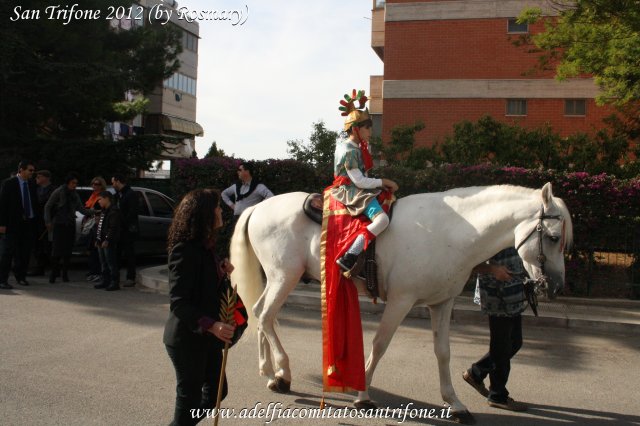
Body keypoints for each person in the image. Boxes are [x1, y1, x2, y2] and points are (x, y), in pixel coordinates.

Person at [163, 188, 236, 426]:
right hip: (186, 339)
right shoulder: (184, 250)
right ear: (204, 213)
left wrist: (222, 271)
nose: (220, 210)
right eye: (216, 207)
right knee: (189, 403)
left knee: (217, 392)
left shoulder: (207, 247)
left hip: (207, 338)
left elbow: (206, 288)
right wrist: (212, 325)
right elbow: (179, 303)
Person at [331, 89, 398, 272]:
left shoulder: (354, 147)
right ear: (355, 129)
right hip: (350, 190)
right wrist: (382, 181)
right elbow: (359, 181)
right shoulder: (350, 151)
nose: (371, 131)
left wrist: (379, 183)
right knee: (383, 220)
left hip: (356, 187)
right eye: (367, 127)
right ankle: (350, 255)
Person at [462, 247, 528, 412]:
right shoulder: (492, 226)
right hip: (497, 295)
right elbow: (469, 261)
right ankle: (498, 396)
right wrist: (493, 269)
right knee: (501, 346)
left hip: (514, 293)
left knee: (515, 342)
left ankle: (476, 373)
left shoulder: (514, 230)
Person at [44, 172, 96, 283]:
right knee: (56, 250)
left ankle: (65, 274)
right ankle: (54, 274)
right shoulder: (59, 192)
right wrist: (48, 221)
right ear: (67, 183)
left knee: (68, 251)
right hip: (59, 224)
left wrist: (95, 211)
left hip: (70, 224)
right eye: (73, 183)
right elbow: (48, 206)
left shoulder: (74, 195)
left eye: (76, 183)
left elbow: (82, 209)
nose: (74, 185)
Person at [0, 161, 38, 289]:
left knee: (25, 252)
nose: (32, 173)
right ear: (21, 170)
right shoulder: (9, 183)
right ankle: (2, 279)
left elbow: (34, 203)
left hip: (28, 223)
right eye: (30, 170)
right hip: (12, 224)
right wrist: (2, 223)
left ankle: (21, 276)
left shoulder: (32, 184)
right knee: (7, 252)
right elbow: (3, 205)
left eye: (33, 171)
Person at [111, 174, 139, 287]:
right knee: (117, 254)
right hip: (120, 229)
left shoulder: (130, 194)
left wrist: (123, 223)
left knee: (129, 254)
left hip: (127, 230)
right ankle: (115, 278)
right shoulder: (119, 195)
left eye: (113, 182)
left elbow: (132, 212)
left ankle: (130, 277)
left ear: (118, 181)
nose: (113, 185)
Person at [93, 191, 122, 291]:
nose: (99, 201)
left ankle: (114, 282)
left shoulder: (114, 211)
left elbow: (112, 227)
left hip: (108, 241)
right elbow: (100, 226)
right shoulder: (104, 210)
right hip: (101, 240)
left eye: (100, 199)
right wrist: (98, 239)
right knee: (103, 262)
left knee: (111, 262)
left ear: (106, 199)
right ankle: (105, 280)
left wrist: (107, 239)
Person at [30, 170, 55, 276]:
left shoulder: (52, 190)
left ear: (46, 178)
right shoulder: (36, 189)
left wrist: (49, 220)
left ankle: (54, 268)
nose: (37, 179)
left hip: (47, 221)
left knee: (48, 245)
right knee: (38, 245)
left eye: (39, 177)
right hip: (37, 220)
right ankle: (40, 268)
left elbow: (51, 206)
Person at [84, 177, 107, 282]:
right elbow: (87, 209)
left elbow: (101, 210)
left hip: (98, 225)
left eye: (97, 184)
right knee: (90, 249)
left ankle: (97, 272)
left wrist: (93, 212)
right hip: (91, 225)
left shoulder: (102, 197)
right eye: (93, 184)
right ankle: (93, 271)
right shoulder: (92, 196)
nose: (94, 186)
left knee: (96, 250)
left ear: (102, 185)